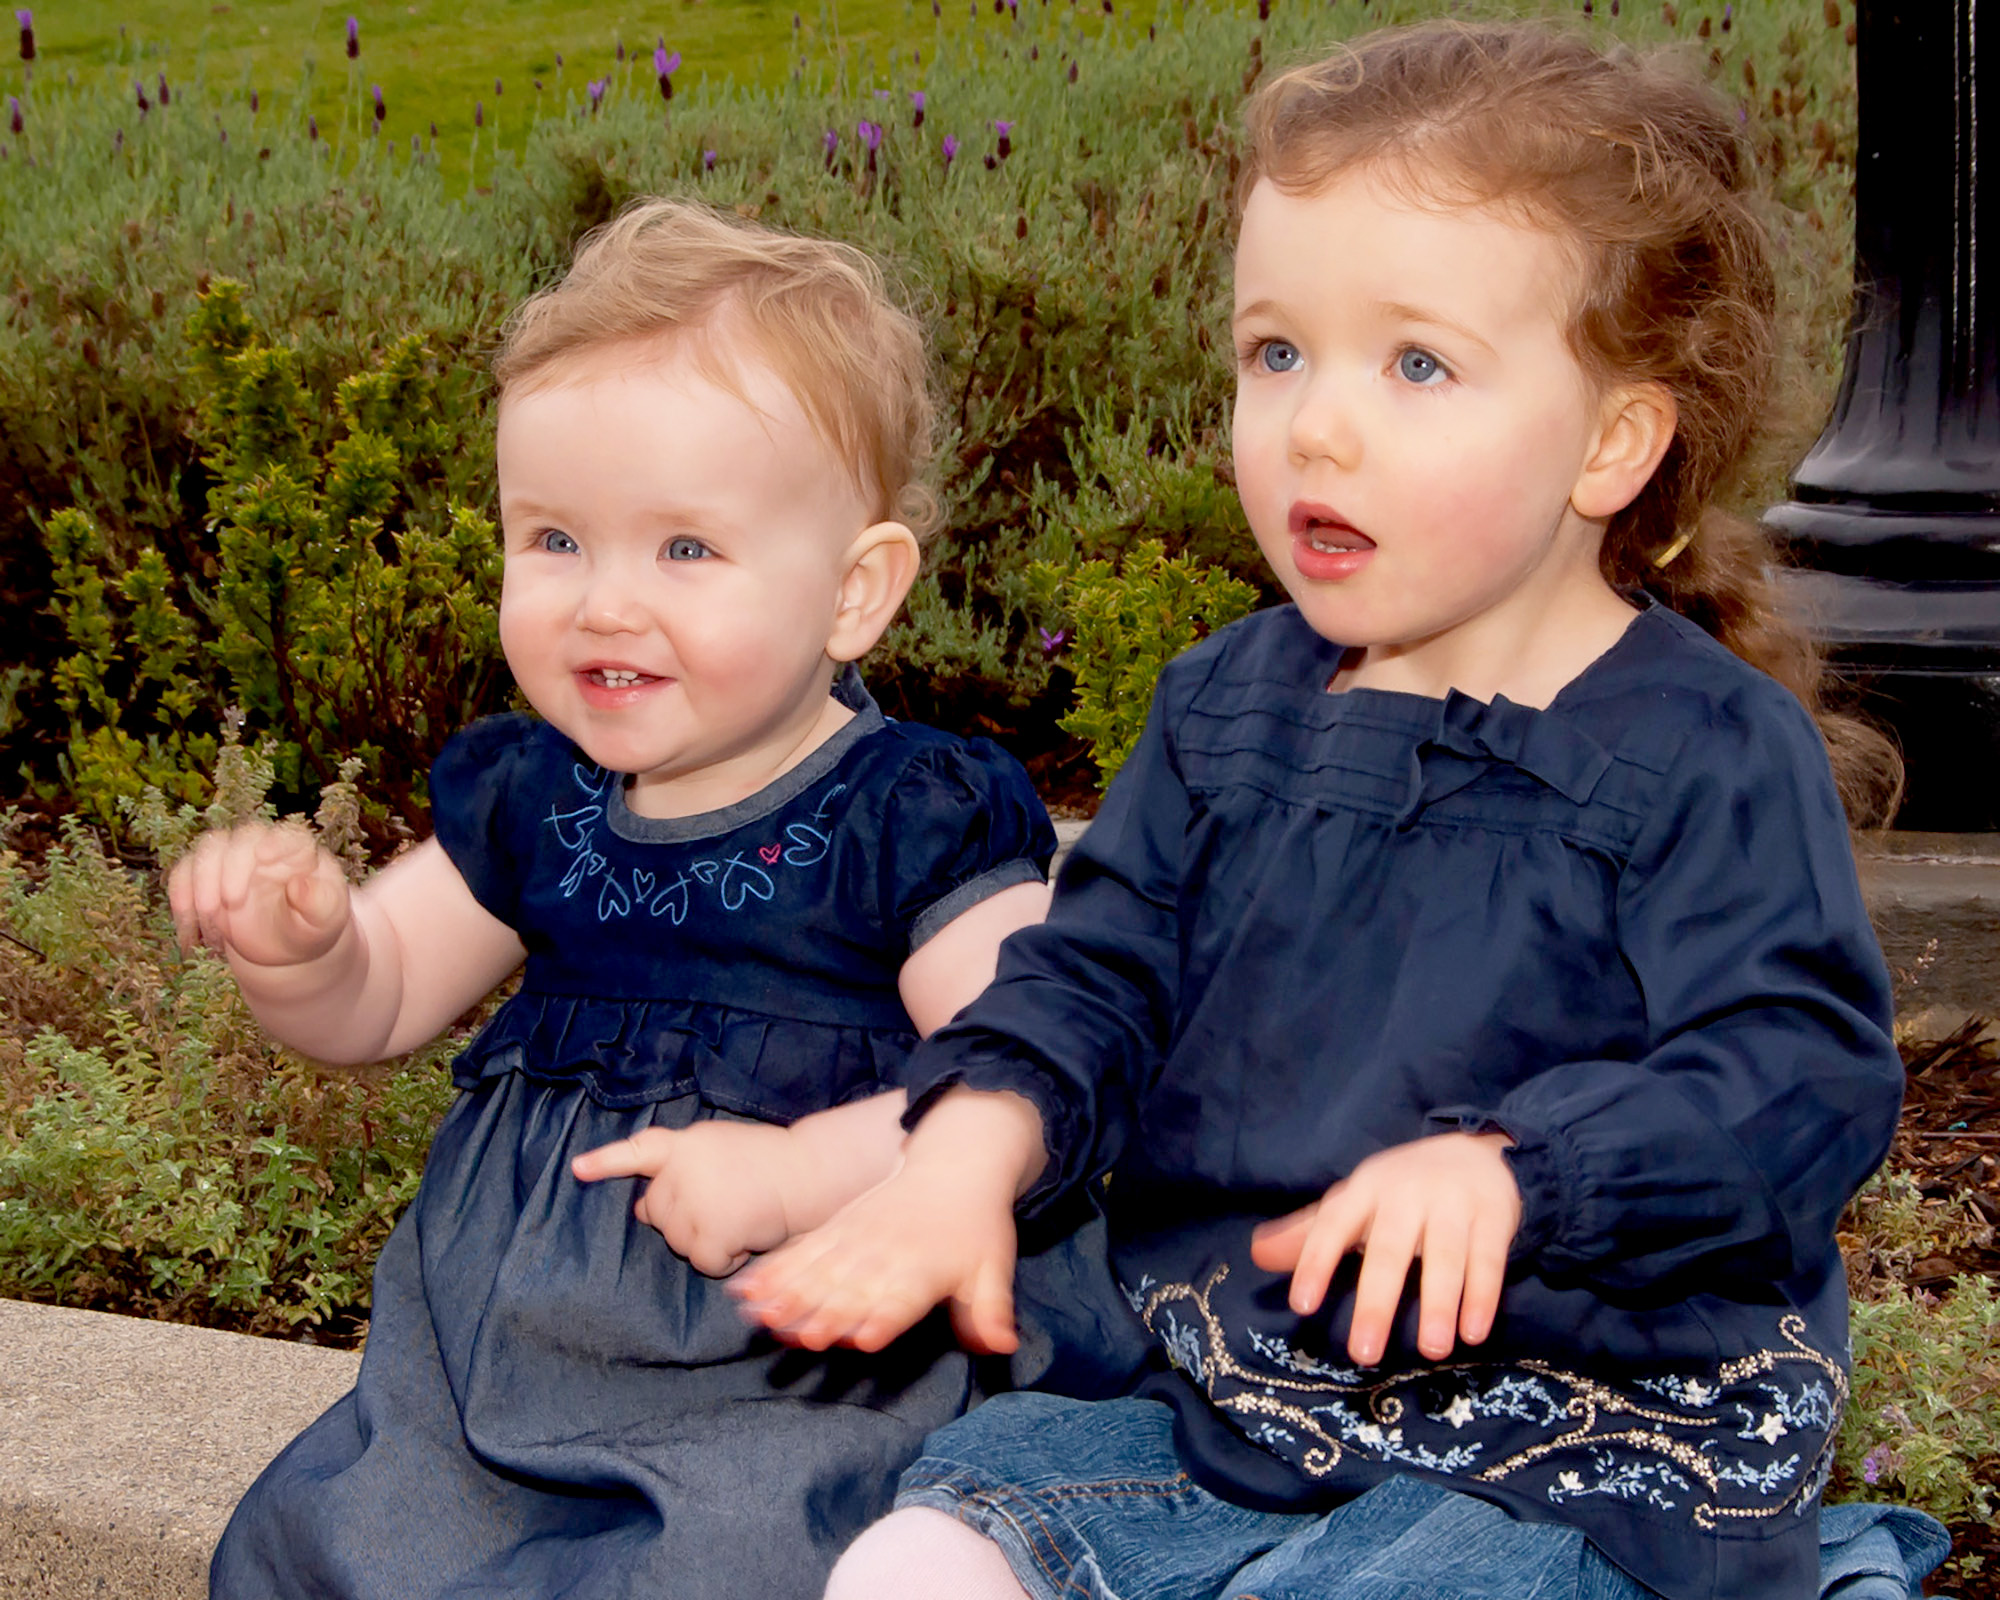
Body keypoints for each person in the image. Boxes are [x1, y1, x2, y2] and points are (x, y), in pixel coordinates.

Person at [731, 23, 1951, 1600]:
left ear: (1610, 442)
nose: (1314, 425)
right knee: (913, 1561)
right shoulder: (1226, 710)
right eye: (1277, 353)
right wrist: (965, 1155)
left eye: (1416, 364)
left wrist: (1521, 1172)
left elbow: (1799, 1079)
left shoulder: (1707, 752)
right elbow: (1089, 981)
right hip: (1230, 1414)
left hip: (1572, 1451)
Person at [172, 197, 1067, 1600]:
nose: (602, 604)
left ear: (854, 593)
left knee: (730, 1571)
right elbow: (379, 1000)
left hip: (793, 1383)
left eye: (684, 549)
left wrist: (802, 1170)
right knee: (329, 1547)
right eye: (554, 539)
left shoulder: (909, 816)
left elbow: (1029, 1065)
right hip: (484, 1393)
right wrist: (305, 947)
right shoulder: (538, 795)